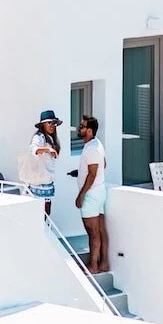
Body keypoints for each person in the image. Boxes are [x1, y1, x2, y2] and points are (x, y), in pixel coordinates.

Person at [74, 112, 109, 273]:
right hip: (99, 192)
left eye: (82, 126)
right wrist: (79, 172)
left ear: (89, 130)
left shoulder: (92, 149)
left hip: (91, 195)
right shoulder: (96, 145)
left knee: (92, 232)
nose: (78, 128)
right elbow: (104, 165)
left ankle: (94, 265)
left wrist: (81, 195)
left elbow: (93, 173)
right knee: (100, 230)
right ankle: (104, 264)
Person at [17, 109, 62, 218]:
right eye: (49, 123)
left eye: (54, 123)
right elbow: (34, 149)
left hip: (47, 183)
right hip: (38, 183)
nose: (52, 125)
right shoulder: (39, 137)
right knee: (40, 215)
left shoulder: (51, 138)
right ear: (43, 125)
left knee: (46, 214)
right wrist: (47, 149)